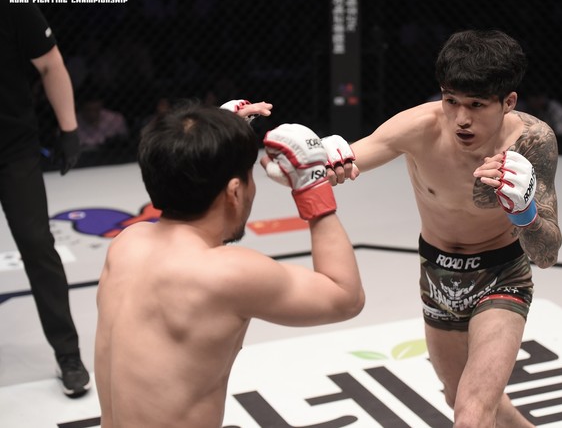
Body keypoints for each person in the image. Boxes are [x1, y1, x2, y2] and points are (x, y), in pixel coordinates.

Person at [325, 29, 562, 427]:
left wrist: (525, 212)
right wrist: (315, 158)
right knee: (459, 397)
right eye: (451, 101)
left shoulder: (532, 142)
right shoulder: (418, 126)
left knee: (472, 412)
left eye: (477, 105)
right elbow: (339, 162)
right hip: (436, 274)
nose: (461, 119)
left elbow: (547, 254)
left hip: (502, 275)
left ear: (508, 102)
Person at [94, 102, 363, 428]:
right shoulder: (227, 273)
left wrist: (210, 138)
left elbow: (189, 220)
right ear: (235, 191)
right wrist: (311, 184)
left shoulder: (127, 244)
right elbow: (345, 297)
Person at [0, 0, 90, 398]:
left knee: (37, 244)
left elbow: (50, 63)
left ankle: (67, 353)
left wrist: (69, 129)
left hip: (12, 147)